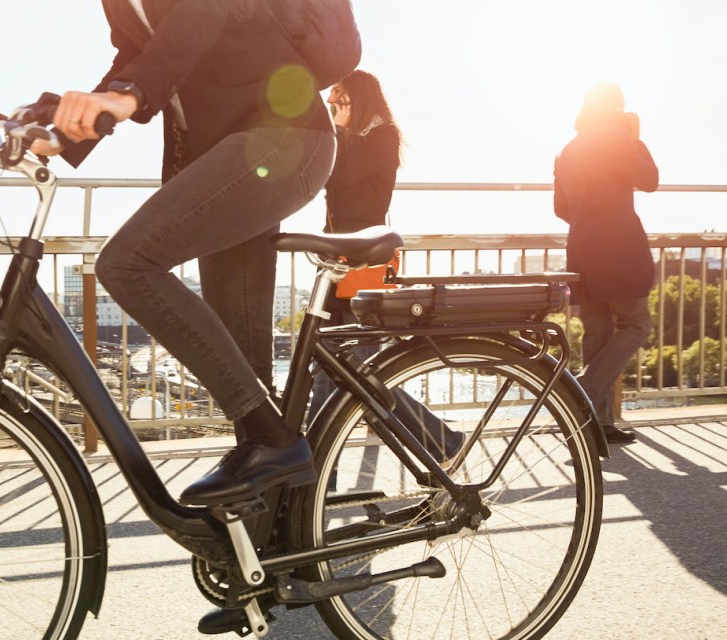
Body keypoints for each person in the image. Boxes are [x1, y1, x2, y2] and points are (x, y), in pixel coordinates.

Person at [28, 1, 335, 504]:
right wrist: (64, 130)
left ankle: (279, 445)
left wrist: (126, 95)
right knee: (247, 367)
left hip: (284, 136)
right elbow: (138, 55)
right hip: (229, 152)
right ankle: (281, 540)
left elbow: (201, 15)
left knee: (127, 262)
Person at [310, 70, 462, 463]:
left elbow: (340, 177)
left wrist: (340, 132)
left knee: (364, 373)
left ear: (357, 98)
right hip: (336, 264)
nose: (332, 104)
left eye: (338, 97)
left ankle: (442, 441)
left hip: (364, 269)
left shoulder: (382, 137)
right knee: (325, 366)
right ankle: (308, 465)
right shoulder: (349, 139)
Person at [554, 82, 659, 444]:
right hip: (619, 248)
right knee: (636, 325)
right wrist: (635, 138)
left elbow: (561, 208)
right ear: (616, 108)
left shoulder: (568, 150)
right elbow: (649, 180)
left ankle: (596, 426)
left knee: (597, 333)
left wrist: (590, 219)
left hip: (582, 248)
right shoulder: (618, 139)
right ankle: (581, 390)